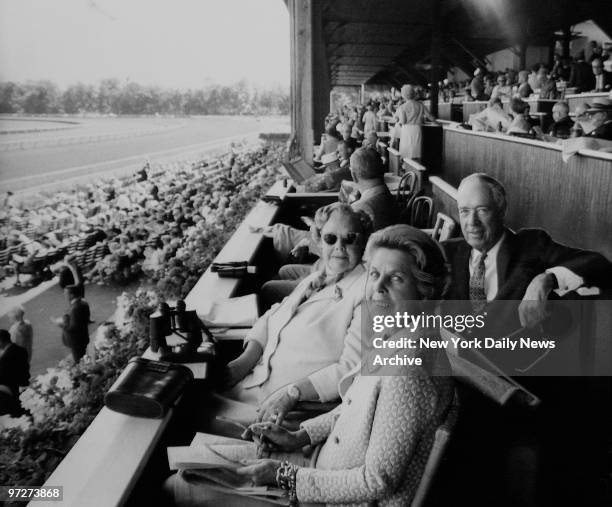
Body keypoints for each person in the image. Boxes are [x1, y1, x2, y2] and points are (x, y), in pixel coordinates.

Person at [165, 225, 454, 506]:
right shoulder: (397, 336)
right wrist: (298, 437)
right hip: (319, 462)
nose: (377, 288)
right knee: (198, 458)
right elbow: (352, 408)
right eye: (375, 274)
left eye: (397, 279)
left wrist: (285, 477)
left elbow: (376, 481)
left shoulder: (411, 370)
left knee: (179, 484)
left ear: (426, 293)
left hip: (335, 496)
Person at [440, 173, 612, 506]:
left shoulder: (531, 246)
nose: (471, 222)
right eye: (464, 212)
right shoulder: (448, 254)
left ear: (501, 209)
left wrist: (546, 278)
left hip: (515, 382)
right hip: (459, 377)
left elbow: (599, 263)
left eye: (482, 210)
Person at [209, 204, 373, 431]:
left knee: (193, 418)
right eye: (330, 238)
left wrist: (292, 394)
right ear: (318, 239)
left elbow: (351, 369)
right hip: (250, 386)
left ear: (363, 242)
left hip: (287, 413)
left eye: (350, 239)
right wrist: (245, 360)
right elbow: (272, 314)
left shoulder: (368, 291)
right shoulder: (318, 276)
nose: (339, 247)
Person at [396, 84, 435, 160]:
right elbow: (431, 117)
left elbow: (403, 121)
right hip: (417, 129)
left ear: (403, 95)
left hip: (407, 130)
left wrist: (398, 123)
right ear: (413, 93)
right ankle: (416, 168)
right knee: (416, 151)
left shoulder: (402, 107)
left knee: (406, 152)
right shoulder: (421, 105)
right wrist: (438, 121)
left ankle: (407, 168)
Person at [53, 284, 91, 363]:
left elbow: (73, 327)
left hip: (76, 340)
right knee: (82, 357)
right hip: (82, 337)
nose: (64, 295)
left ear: (72, 295)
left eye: (66, 294)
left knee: (79, 360)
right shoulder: (83, 302)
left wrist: (60, 325)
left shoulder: (75, 308)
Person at [0, 329, 30, 416]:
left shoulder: (5, 357)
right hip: (23, 382)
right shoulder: (21, 350)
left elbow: (3, 377)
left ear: (1, 341)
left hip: (11, 388)